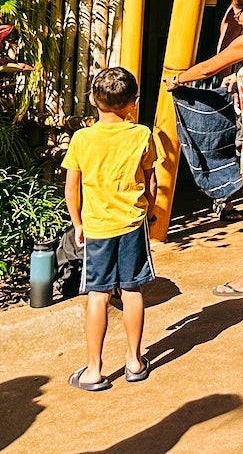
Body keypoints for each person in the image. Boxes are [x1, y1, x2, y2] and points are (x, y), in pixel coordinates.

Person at [164, 0, 243, 297]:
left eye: (238, 14)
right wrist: (241, 77)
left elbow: (210, 66)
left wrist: (177, 79)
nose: (238, 21)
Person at [63, 67, 157, 391]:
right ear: (134, 102)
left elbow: (71, 189)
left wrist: (78, 223)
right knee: (132, 290)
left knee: (98, 294)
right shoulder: (142, 135)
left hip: (98, 227)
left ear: (92, 100)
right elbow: (151, 181)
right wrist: (151, 212)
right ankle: (134, 360)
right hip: (132, 223)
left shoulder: (81, 139)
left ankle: (94, 370)